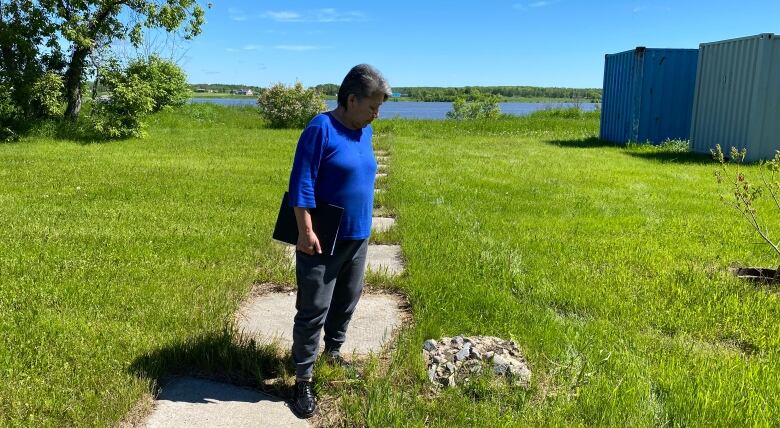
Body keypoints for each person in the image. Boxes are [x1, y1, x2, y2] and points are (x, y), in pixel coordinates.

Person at [286, 64, 391, 418]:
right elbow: (301, 182)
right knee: (314, 307)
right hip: (322, 236)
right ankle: (303, 378)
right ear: (350, 99)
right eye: (372, 106)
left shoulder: (364, 131)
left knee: (347, 299)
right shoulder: (321, 128)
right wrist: (305, 230)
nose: (376, 114)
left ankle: (332, 352)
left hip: (357, 235)